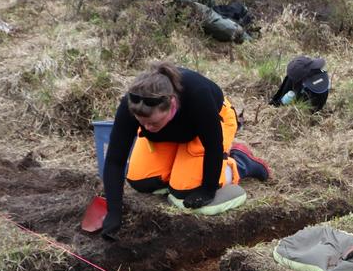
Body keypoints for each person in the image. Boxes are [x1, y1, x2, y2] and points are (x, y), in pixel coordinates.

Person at [100, 62, 269, 238]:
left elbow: (213, 146)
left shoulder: (198, 96)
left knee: (185, 191)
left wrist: (208, 189)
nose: (147, 127)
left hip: (210, 125)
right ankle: (180, 165)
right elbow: (115, 160)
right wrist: (113, 212)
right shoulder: (135, 104)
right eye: (142, 123)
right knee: (140, 181)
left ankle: (241, 162)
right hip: (171, 134)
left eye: (153, 122)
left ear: (172, 104)